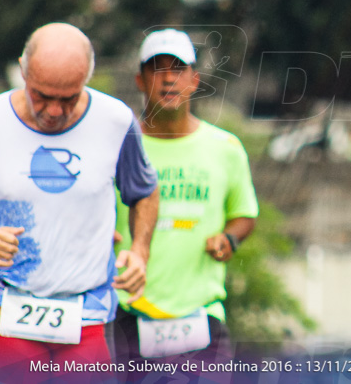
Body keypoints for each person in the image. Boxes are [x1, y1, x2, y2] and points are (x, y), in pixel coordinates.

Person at [0, 22, 159, 377]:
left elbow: (144, 190)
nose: (54, 111)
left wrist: (141, 251)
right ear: (23, 69)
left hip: (88, 313)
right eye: (41, 95)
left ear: (88, 76)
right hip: (7, 306)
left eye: (68, 97)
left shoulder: (115, 121)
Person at [111, 29, 259, 373]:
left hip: (202, 315)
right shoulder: (117, 147)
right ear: (139, 79)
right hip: (127, 312)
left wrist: (229, 239)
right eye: (156, 69)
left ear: (195, 80)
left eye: (178, 69)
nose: (168, 80)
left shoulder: (226, 148)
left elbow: (245, 214)